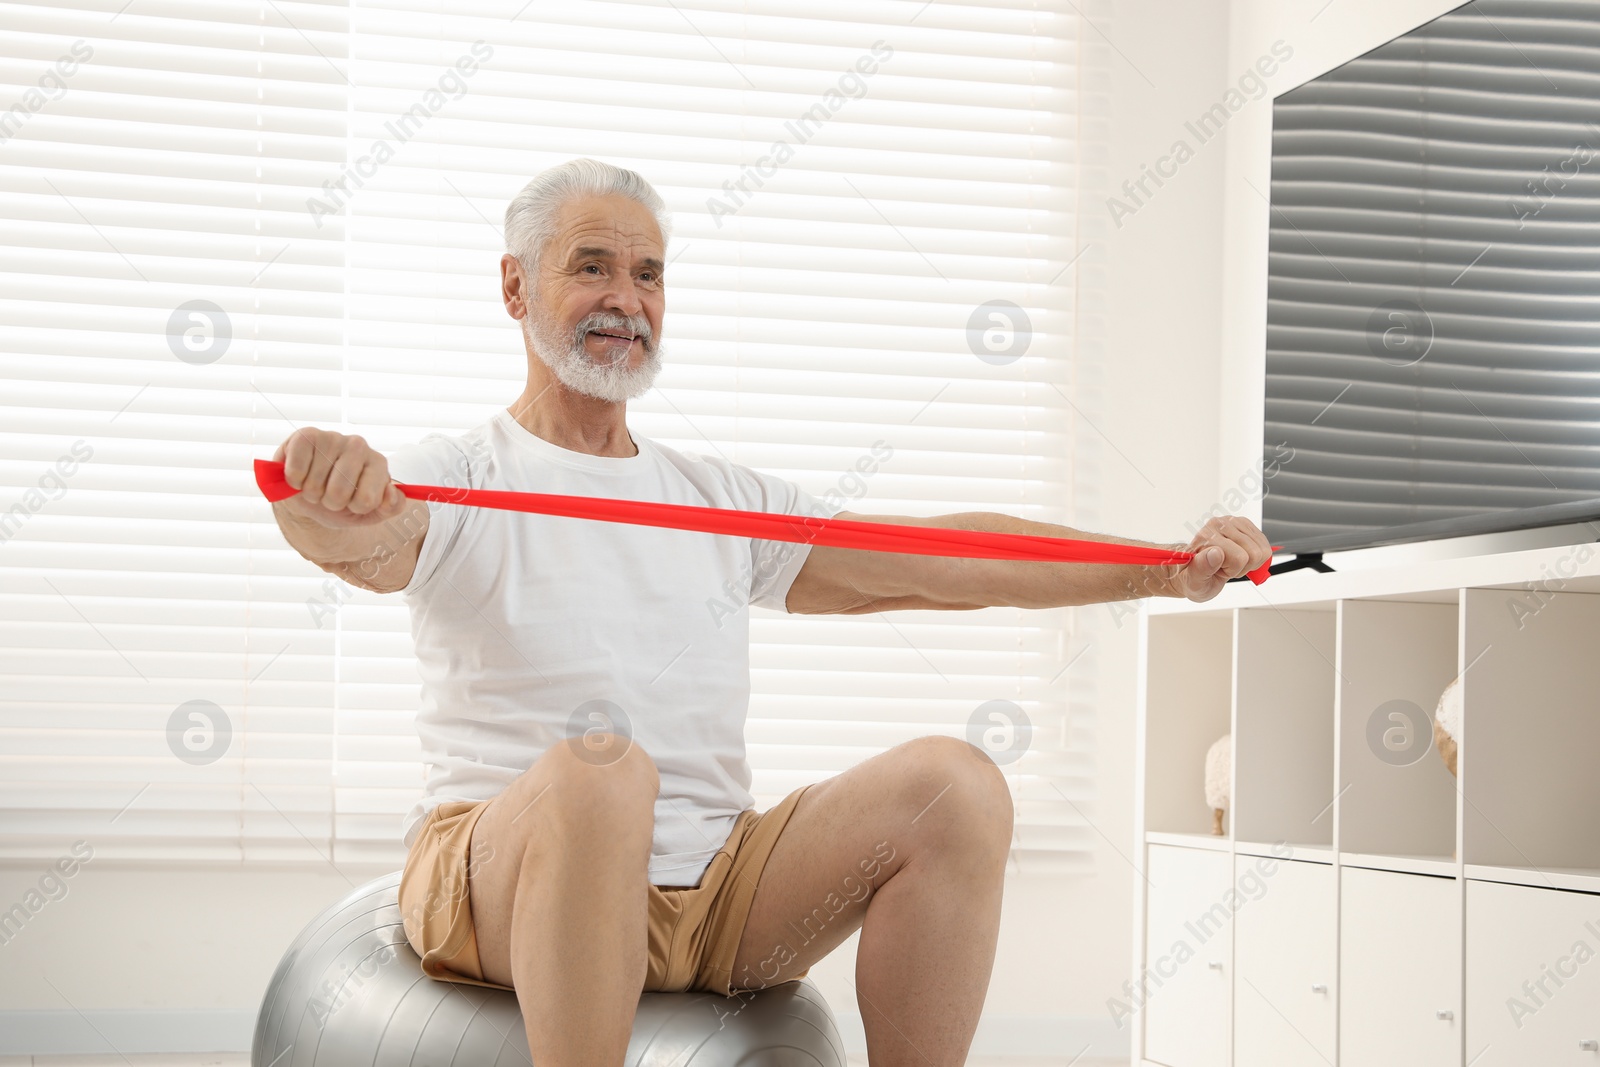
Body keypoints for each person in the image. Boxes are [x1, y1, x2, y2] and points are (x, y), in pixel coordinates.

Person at [266, 157, 1272, 1066]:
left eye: (649, 274)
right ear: (515, 286)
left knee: (955, 785)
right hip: (501, 877)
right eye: (593, 267)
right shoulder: (462, 474)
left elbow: (941, 560)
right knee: (601, 768)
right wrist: (325, 498)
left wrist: (1160, 567)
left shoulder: (715, 497)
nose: (626, 298)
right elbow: (365, 543)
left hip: (718, 889)